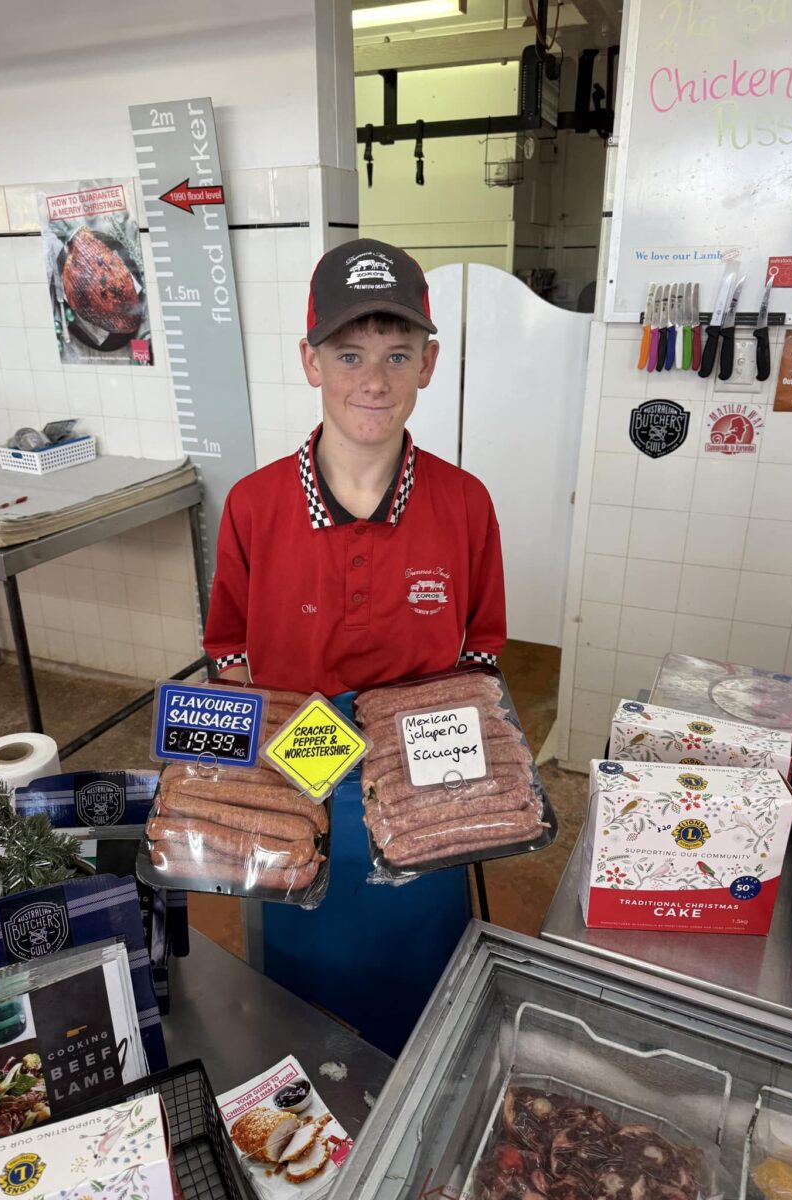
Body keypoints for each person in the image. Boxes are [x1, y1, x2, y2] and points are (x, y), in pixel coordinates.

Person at [203, 238, 507, 1053]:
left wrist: (439, 777)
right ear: (311, 362)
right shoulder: (254, 505)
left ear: (428, 365)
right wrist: (279, 768)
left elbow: (482, 651)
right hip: (298, 767)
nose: (374, 381)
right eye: (349, 354)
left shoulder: (467, 504)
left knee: (420, 1006)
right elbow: (229, 651)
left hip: (424, 775)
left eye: (397, 354)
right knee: (294, 1013)